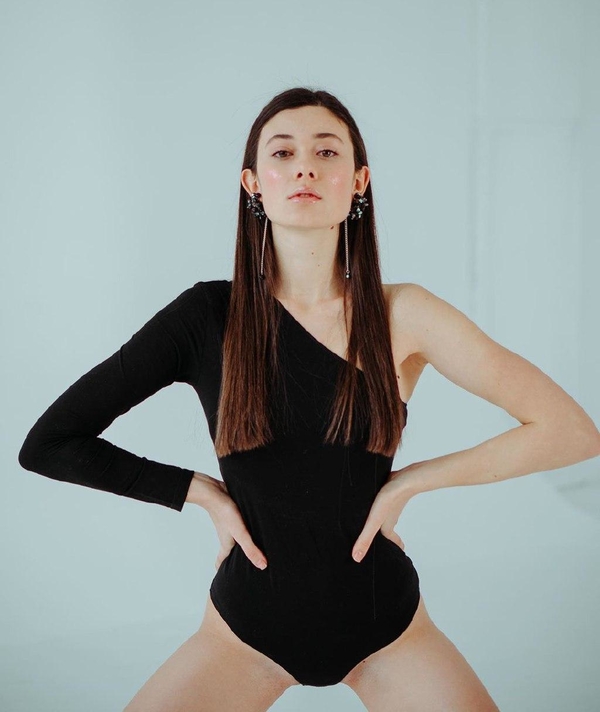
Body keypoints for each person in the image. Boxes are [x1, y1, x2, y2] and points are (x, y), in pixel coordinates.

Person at [19, 87, 600, 712]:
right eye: (283, 153)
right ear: (252, 183)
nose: (305, 168)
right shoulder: (204, 316)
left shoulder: (405, 314)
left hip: (387, 626)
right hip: (243, 632)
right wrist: (200, 492)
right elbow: (50, 444)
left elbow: (570, 431)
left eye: (326, 152)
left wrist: (410, 483)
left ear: (358, 181)